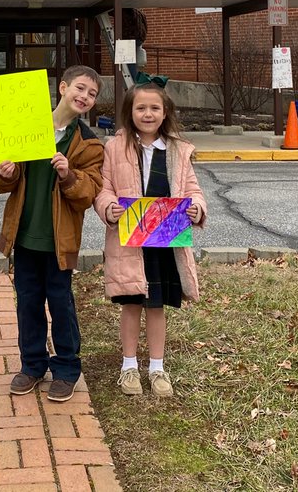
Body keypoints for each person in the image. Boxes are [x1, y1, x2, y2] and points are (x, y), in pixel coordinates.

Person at [0, 64, 104, 403]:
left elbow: (89, 194)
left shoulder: (89, 144)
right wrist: (5, 171)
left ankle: (67, 369)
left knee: (61, 304)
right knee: (27, 303)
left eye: (92, 94)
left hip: (60, 241)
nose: (84, 97)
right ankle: (32, 366)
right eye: (80, 88)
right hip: (25, 236)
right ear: (63, 87)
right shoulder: (27, 127)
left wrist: (70, 176)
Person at [93, 82, 207, 398]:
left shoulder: (178, 151)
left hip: (165, 242)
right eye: (140, 108)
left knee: (156, 307)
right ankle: (129, 367)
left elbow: (193, 189)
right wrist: (108, 207)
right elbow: (103, 188)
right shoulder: (114, 148)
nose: (147, 114)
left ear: (165, 112)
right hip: (129, 242)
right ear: (130, 112)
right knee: (131, 304)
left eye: (154, 108)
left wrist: (197, 208)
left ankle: (157, 369)